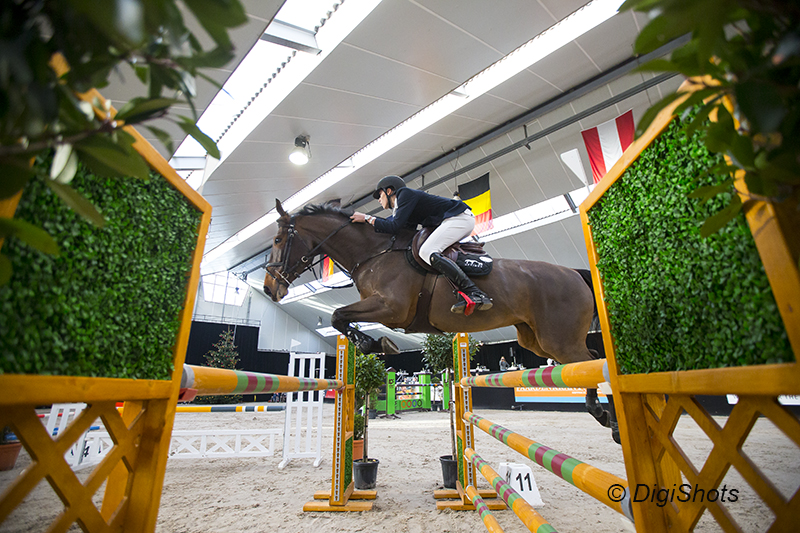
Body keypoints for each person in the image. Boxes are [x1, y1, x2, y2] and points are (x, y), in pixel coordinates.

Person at [351, 175, 492, 314]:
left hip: (459, 219)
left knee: (427, 251)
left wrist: (367, 218)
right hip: (452, 221)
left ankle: (473, 291)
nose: (379, 201)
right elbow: (401, 229)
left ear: (389, 191)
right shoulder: (403, 206)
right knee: (426, 250)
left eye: (380, 195)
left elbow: (394, 226)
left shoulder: (404, 194)